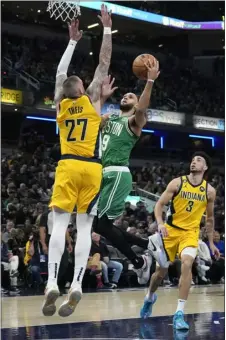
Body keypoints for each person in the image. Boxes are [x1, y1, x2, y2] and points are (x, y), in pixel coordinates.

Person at [42, 4, 113, 318]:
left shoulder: (60, 103)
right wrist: (107, 29)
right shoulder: (93, 98)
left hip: (68, 165)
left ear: (64, 91)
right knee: (84, 229)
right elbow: (104, 61)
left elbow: (59, 73)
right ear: (82, 88)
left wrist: (71, 42)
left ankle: (51, 282)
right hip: (93, 169)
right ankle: (77, 285)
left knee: (59, 224)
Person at [94, 58, 160, 284]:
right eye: (124, 95)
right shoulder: (109, 118)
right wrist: (102, 97)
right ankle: (146, 245)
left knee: (102, 225)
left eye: (130, 97)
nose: (125, 97)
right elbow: (92, 119)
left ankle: (140, 260)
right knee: (100, 226)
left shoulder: (134, 122)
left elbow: (142, 108)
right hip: (102, 174)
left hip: (117, 173)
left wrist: (149, 81)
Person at [141, 152, 220, 330]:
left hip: (190, 233)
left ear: (205, 167)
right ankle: (149, 297)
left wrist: (211, 242)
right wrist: (160, 224)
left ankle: (179, 313)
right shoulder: (177, 183)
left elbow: (209, 219)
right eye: (192, 160)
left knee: (187, 263)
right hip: (170, 231)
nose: (194, 162)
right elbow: (159, 205)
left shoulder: (209, 191)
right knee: (159, 274)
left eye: (198, 160)